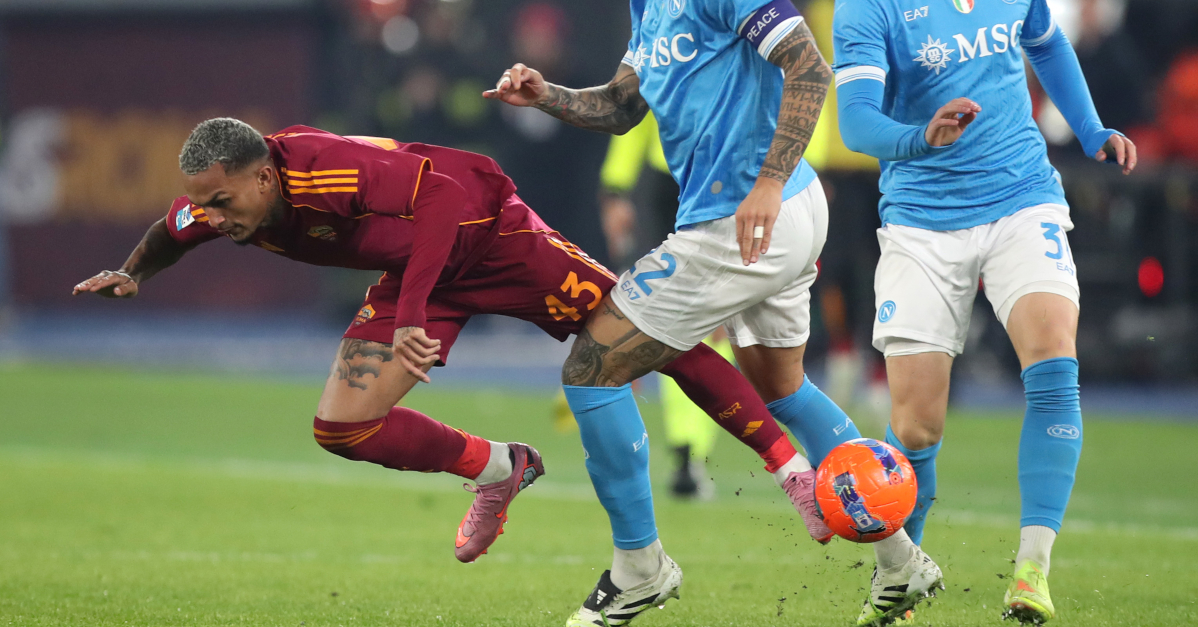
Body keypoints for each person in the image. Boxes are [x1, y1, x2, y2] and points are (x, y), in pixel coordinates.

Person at [72, 119, 812, 570]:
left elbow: (445, 201)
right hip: (419, 272)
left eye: (223, 202)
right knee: (341, 427)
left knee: (655, 340)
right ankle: (500, 469)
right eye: (205, 204)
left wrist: (411, 315)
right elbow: (170, 231)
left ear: (264, 175)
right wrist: (133, 272)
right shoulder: (222, 200)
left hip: (498, 240)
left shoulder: (322, 167)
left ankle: (790, 470)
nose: (213, 217)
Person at [487, 0, 903, 626]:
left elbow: (808, 69)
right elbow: (620, 108)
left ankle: (639, 568)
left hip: (750, 215)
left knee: (591, 368)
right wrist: (547, 95)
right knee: (782, 387)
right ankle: (902, 561)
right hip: (769, 214)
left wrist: (768, 184)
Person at [833, 0, 1138, 624]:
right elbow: (859, 121)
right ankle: (901, 579)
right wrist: (919, 137)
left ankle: (1031, 571)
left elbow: (1047, 44)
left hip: (1019, 198)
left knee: (1052, 362)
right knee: (915, 425)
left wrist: (1094, 128)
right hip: (923, 223)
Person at [599, 112, 725, 499]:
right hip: (694, 186)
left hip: (703, 185)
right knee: (703, 323)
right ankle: (690, 452)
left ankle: (686, 452)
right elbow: (635, 104)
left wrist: (615, 189)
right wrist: (615, 191)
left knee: (695, 323)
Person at [802, 0, 889, 417]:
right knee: (830, 268)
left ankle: (880, 367)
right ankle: (841, 355)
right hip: (832, 166)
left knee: (884, 270)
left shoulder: (899, 9)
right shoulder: (815, 13)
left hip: (886, 163)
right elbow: (803, 92)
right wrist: (807, 163)